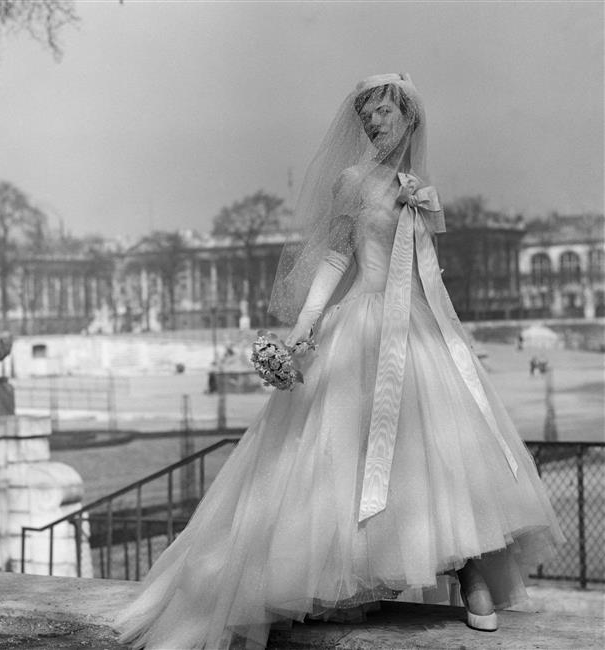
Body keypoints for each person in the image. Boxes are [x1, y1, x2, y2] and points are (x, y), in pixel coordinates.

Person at [115, 74, 564, 649]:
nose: (373, 123)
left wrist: (451, 337)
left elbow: (426, 274)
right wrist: (305, 325)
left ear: (409, 117)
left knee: (448, 449)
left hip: (417, 327)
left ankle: (471, 569)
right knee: (343, 453)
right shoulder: (352, 182)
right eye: (366, 115)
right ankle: (343, 576)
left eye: (383, 112)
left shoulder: (417, 187)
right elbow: (334, 257)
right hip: (364, 323)